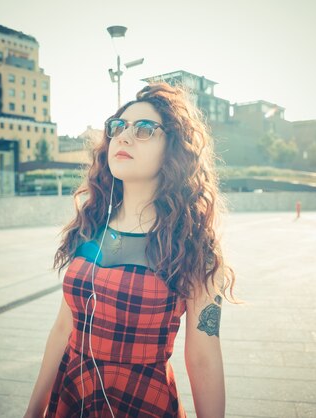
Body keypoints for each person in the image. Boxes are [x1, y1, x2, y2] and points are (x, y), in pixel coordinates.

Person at [24, 82, 241, 418]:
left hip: (143, 403)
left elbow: (203, 355)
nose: (123, 137)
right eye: (118, 127)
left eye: (144, 129)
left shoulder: (192, 244)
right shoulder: (90, 226)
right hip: (72, 399)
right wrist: (33, 411)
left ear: (173, 149)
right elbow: (63, 329)